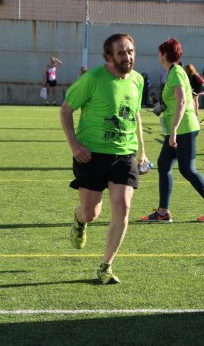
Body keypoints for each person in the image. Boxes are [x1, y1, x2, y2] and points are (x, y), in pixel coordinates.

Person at [60, 33, 148, 285]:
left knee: (122, 206)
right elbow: (66, 108)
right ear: (109, 57)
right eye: (121, 53)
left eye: (130, 51)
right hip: (92, 154)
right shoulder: (93, 79)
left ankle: (106, 266)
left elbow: (135, 115)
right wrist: (74, 144)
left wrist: (142, 149)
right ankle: (79, 221)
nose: (127, 57)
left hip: (124, 153)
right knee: (91, 213)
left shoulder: (138, 81)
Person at [141, 38, 204, 224]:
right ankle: (163, 213)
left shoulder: (176, 73)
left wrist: (173, 131)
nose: (158, 55)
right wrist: (159, 110)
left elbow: (181, 102)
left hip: (183, 128)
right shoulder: (174, 72)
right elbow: (173, 101)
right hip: (179, 128)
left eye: (159, 52)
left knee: (187, 170)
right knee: (164, 165)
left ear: (164, 54)